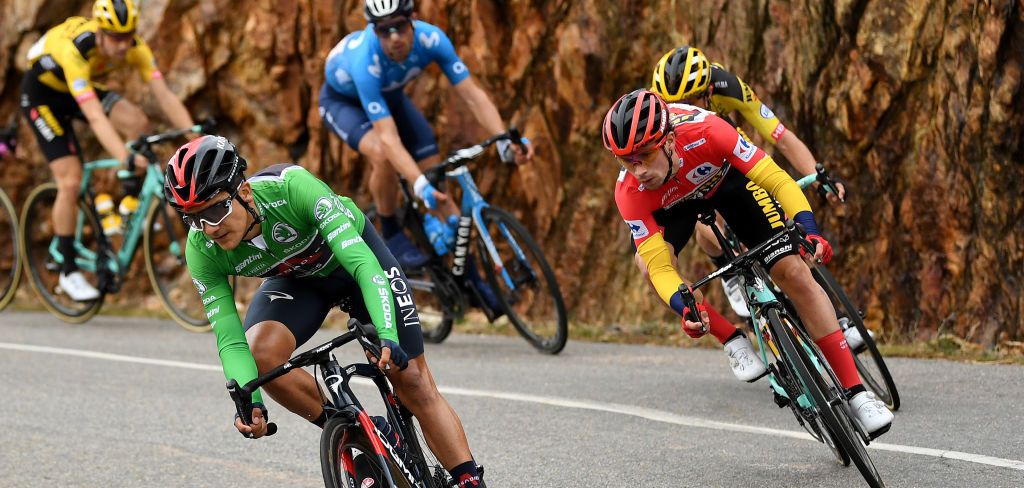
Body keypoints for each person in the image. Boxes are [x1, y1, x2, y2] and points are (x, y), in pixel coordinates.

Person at [164, 135, 516, 488]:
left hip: (355, 262)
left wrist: (387, 335)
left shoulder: (293, 189)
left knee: (411, 380)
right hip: (299, 281)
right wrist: (248, 398)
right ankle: (358, 435)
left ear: (246, 192)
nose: (210, 227)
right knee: (261, 360)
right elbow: (229, 336)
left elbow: (363, 266)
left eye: (216, 209)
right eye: (193, 219)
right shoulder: (203, 250)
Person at [603, 89, 893, 438]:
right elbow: (661, 267)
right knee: (646, 266)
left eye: (644, 156)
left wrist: (810, 229)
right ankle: (732, 340)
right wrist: (684, 306)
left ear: (668, 140)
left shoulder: (710, 131)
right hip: (672, 208)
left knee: (794, 273)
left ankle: (857, 394)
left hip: (727, 183)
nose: (638, 170)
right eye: (626, 161)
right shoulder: (630, 192)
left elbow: (776, 179)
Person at [650, 46, 857, 341]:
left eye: (692, 101)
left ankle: (833, 319)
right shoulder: (657, 115)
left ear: (709, 90)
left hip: (725, 145)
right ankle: (730, 273)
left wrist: (819, 175)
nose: (683, 110)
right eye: (675, 105)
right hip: (687, 167)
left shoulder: (728, 87)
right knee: (707, 227)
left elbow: (780, 136)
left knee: (783, 223)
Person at [318, 0, 533, 273]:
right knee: (384, 155)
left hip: (390, 98)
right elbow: (388, 139)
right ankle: (391, 231)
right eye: (385, 31)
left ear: (413, 20)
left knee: (438, 184)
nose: (395, 37)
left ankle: (471, 278)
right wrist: (419, 185)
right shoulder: (364, 62)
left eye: (399, 26)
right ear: (374, 32)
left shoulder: (432, 39)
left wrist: (504, 140)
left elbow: (473, 96)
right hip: (343, 103)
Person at [19, 0, 194, 301]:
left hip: (78, 89)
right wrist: (125, 157)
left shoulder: (135, 47)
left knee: (139, 122)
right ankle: (67, 265)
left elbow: (164, 95)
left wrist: (194, 136)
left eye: (128, 35)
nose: (123, 45)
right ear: (99, 32)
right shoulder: (75, 49)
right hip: (42, 97)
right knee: (70, 179)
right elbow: (95, 117)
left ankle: (129, 197)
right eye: (115, 37)